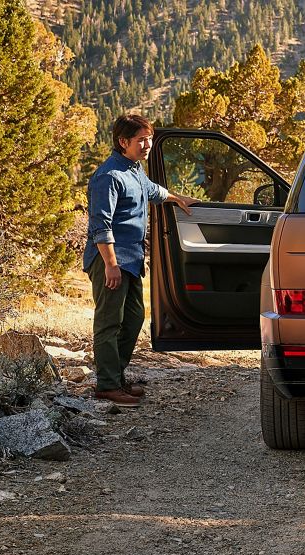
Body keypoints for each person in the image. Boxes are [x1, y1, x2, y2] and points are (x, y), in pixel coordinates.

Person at [84, 114, 197, 406]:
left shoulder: (134, 170)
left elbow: (152, 191)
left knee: (133, 318)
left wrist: (178, 198)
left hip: (131, 260)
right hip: (111, 260)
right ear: (123, 142)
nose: (148, 145)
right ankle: (107, 385)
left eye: (149, 138)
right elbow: (101, 225)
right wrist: (110, 264)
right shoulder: (108, 177)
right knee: (109, 323)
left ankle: (116, 377)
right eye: (141, 140)